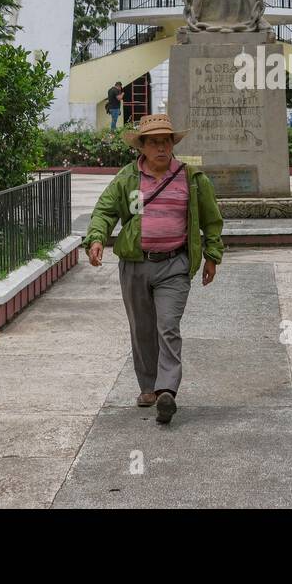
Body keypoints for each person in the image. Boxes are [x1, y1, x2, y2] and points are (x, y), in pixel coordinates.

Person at [84, 114, 224, 424]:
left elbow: (212, 220)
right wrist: (96, 238)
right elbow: (105, 211)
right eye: (154, 142)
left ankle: (166, 392)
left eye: (166, 141)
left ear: (173, 144)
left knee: (168, 326)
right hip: (135, 264)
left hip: (174, 264)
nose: (161, 147)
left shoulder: (192, 179)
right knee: (142, 328)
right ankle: (148, 387)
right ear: (142, 147)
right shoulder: (127, 179)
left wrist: (212, 255)